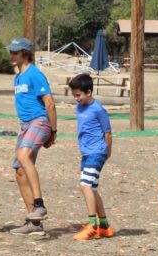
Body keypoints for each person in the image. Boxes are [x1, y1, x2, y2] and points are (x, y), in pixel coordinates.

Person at [6, 37, 56, 236]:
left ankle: (39, 204)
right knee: (19, 171)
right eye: (10, 51)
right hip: (25, 126)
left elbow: (50, 104)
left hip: (39, 121)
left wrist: (53, 131)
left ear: (25, 53)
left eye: (15, 52)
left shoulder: (35, 74)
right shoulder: (17, 77)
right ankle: (33, 223)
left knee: (23, 156)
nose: (11, 55)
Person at [68, 74, 115, 241]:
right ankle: (104, 226)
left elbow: (107, 133)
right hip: (86, 153)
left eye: (78, 95)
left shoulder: (99, 110)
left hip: (97, 152)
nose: (76, 98)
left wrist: (107, 151)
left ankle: (92, 225)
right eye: (74, 95)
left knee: (84, 185)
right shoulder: (79, 108)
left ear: (89, 92)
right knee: (92, 188)